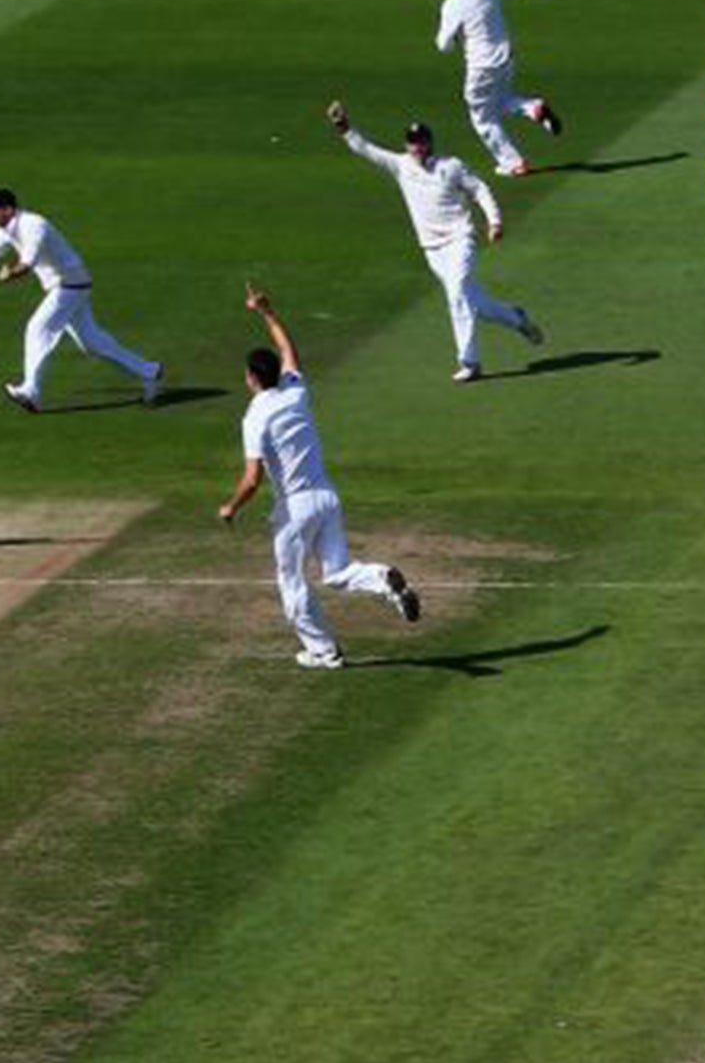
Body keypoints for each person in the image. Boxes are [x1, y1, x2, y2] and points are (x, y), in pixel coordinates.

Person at [218, 284, 422, 669]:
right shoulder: (294, 391)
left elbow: (252, 480)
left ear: (251, 378)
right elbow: (289, 352)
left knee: (290, 581)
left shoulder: (255, 417)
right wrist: (265, 311)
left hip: (294, 511)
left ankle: (323, 651)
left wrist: (231, 508)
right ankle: (384, 578)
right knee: (338, 573)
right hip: (326, 497)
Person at [326, 101, 544, 384]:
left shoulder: (450, 166)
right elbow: (365, 149)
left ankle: (470, 362)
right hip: (432, 248)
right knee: (473, 302)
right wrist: (343, 127)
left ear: (430, 143)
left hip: (459, 238)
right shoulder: (400, 165)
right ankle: (517, 318)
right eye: (411, 142)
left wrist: (495, 221)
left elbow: (479, 189)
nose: (416, 147)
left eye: (420, 142)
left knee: (456, 294)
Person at [0, 187, 164, 413]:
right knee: (92, 343)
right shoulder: (6, 231)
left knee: (37, 328)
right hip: (68, 286)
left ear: (8, 209)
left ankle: (31, 391)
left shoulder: (34, 225)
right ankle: (149, 371)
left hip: (69, 285)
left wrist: (11, 273)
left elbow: (27, 263)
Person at [435, 0, 562, 178]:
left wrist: (455, 37)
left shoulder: (452, 3)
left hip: (481, 66)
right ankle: (532, 108)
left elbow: (443, 46)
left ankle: (513, 163)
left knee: (482, 118)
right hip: (505, 58)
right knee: (500, 101)